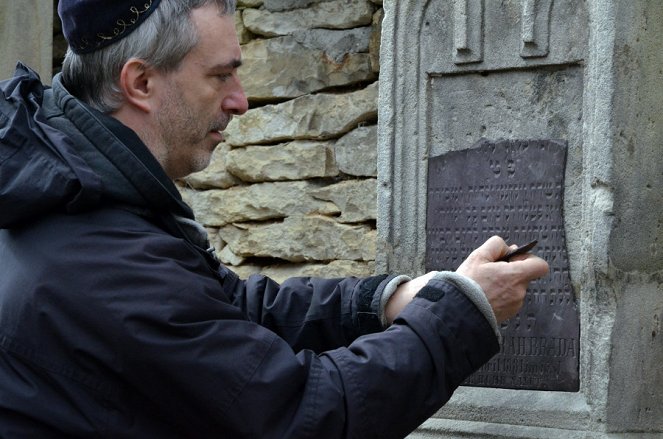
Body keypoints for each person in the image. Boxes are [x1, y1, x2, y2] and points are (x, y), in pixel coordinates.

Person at [0, 0, 549, 437]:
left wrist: (385, 301)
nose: (240, 102)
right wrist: (464, 314)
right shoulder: (99, 257)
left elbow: (226, 310)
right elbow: (303, 416)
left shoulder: (85, 197)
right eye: (220, 77)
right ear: (140, 83)